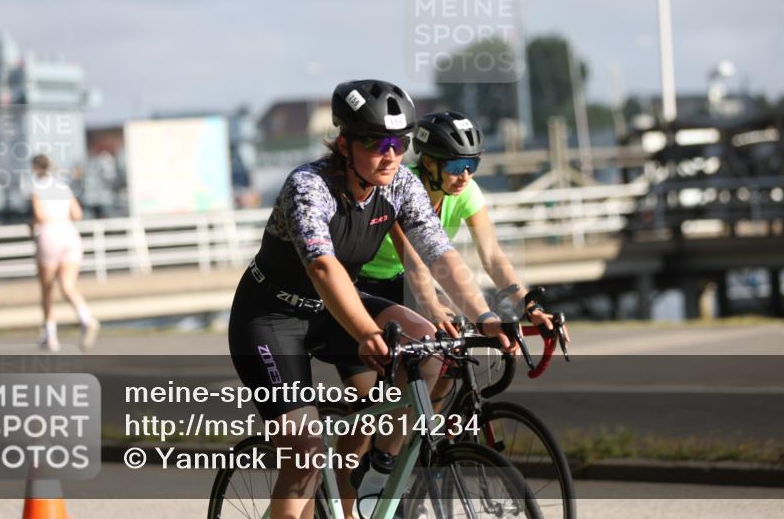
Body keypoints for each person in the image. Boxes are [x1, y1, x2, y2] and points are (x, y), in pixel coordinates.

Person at [227, 81, 515, 519]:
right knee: (304, 451)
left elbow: (439, 253)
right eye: (377, 143)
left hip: (329, 309)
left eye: (399, 143)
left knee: (427, 341)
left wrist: (487, 315)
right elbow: (322, 267)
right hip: (271, 316)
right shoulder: (309, 186)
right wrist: (365, 331)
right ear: (344, 145)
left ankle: (377, 466)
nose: (391, 155)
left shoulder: (400, 185)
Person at [356, 111, 563, 336]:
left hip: (400, 279)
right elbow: (415, 262)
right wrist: (434, 309)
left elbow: (493, 257)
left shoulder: (466, 191)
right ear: (428, 162)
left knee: (457, 327)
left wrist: (529, 306)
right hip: (362, 280)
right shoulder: (401, 189)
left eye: (472, 165)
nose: (465, 176)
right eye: (455, 166)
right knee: (426, 331)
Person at [29, 154, 100, 352]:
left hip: (49, 235)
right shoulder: (63, 187)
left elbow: (40, 216)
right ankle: (86, 318)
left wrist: (31, 226)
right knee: (68, 286)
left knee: (47, 289)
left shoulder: (37, 189)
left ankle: (51, 336)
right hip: (69, 234)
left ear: (35, 169)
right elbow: (77, 214)